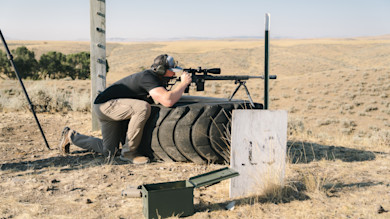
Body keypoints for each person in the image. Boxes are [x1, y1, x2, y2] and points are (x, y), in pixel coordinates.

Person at [58, 54, 192, 164]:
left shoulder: (152, 78)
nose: (173, 75)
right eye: (171, 71)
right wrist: (184, 83)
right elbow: (167, 100)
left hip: (107, 107)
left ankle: (71, 136)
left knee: (109, 151)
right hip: (107, 106)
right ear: (161, 70)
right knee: (142, 108)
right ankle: (129, 153)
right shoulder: (149, 77)